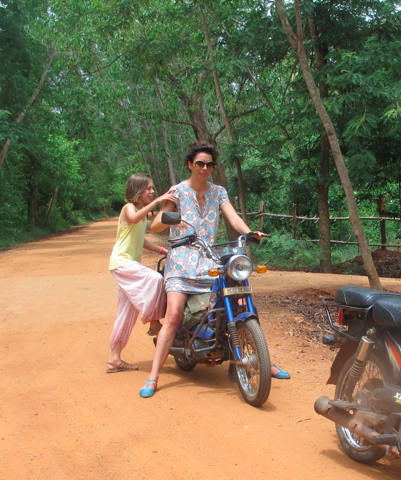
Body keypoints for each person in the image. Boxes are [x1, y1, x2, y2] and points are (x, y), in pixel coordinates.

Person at [140, 142, 287, 397]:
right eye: (200, 163)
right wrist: (168, 216)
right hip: (181, 262)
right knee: (174, 315)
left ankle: (264, 360)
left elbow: (232, 216)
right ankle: (153, 377)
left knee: (241, 300)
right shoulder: (177, 192)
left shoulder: (219, 192)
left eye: (209, 164)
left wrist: (249, 232)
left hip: (209, 261)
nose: (205, 168)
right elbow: (154, 226)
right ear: (190, 165)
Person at [106, 174, 168, 373]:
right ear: (137, 189)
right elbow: (132, 218)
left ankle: (114, 359)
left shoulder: (142, 213)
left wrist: (163, 251)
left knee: (127, 313)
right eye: (148, 188)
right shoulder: (129, 208)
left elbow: (140, 241)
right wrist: (158, 202)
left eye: (153, 189)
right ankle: (153, 321)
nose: (152, 192)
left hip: (129, 263)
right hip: (122, 263)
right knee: (156, 278)